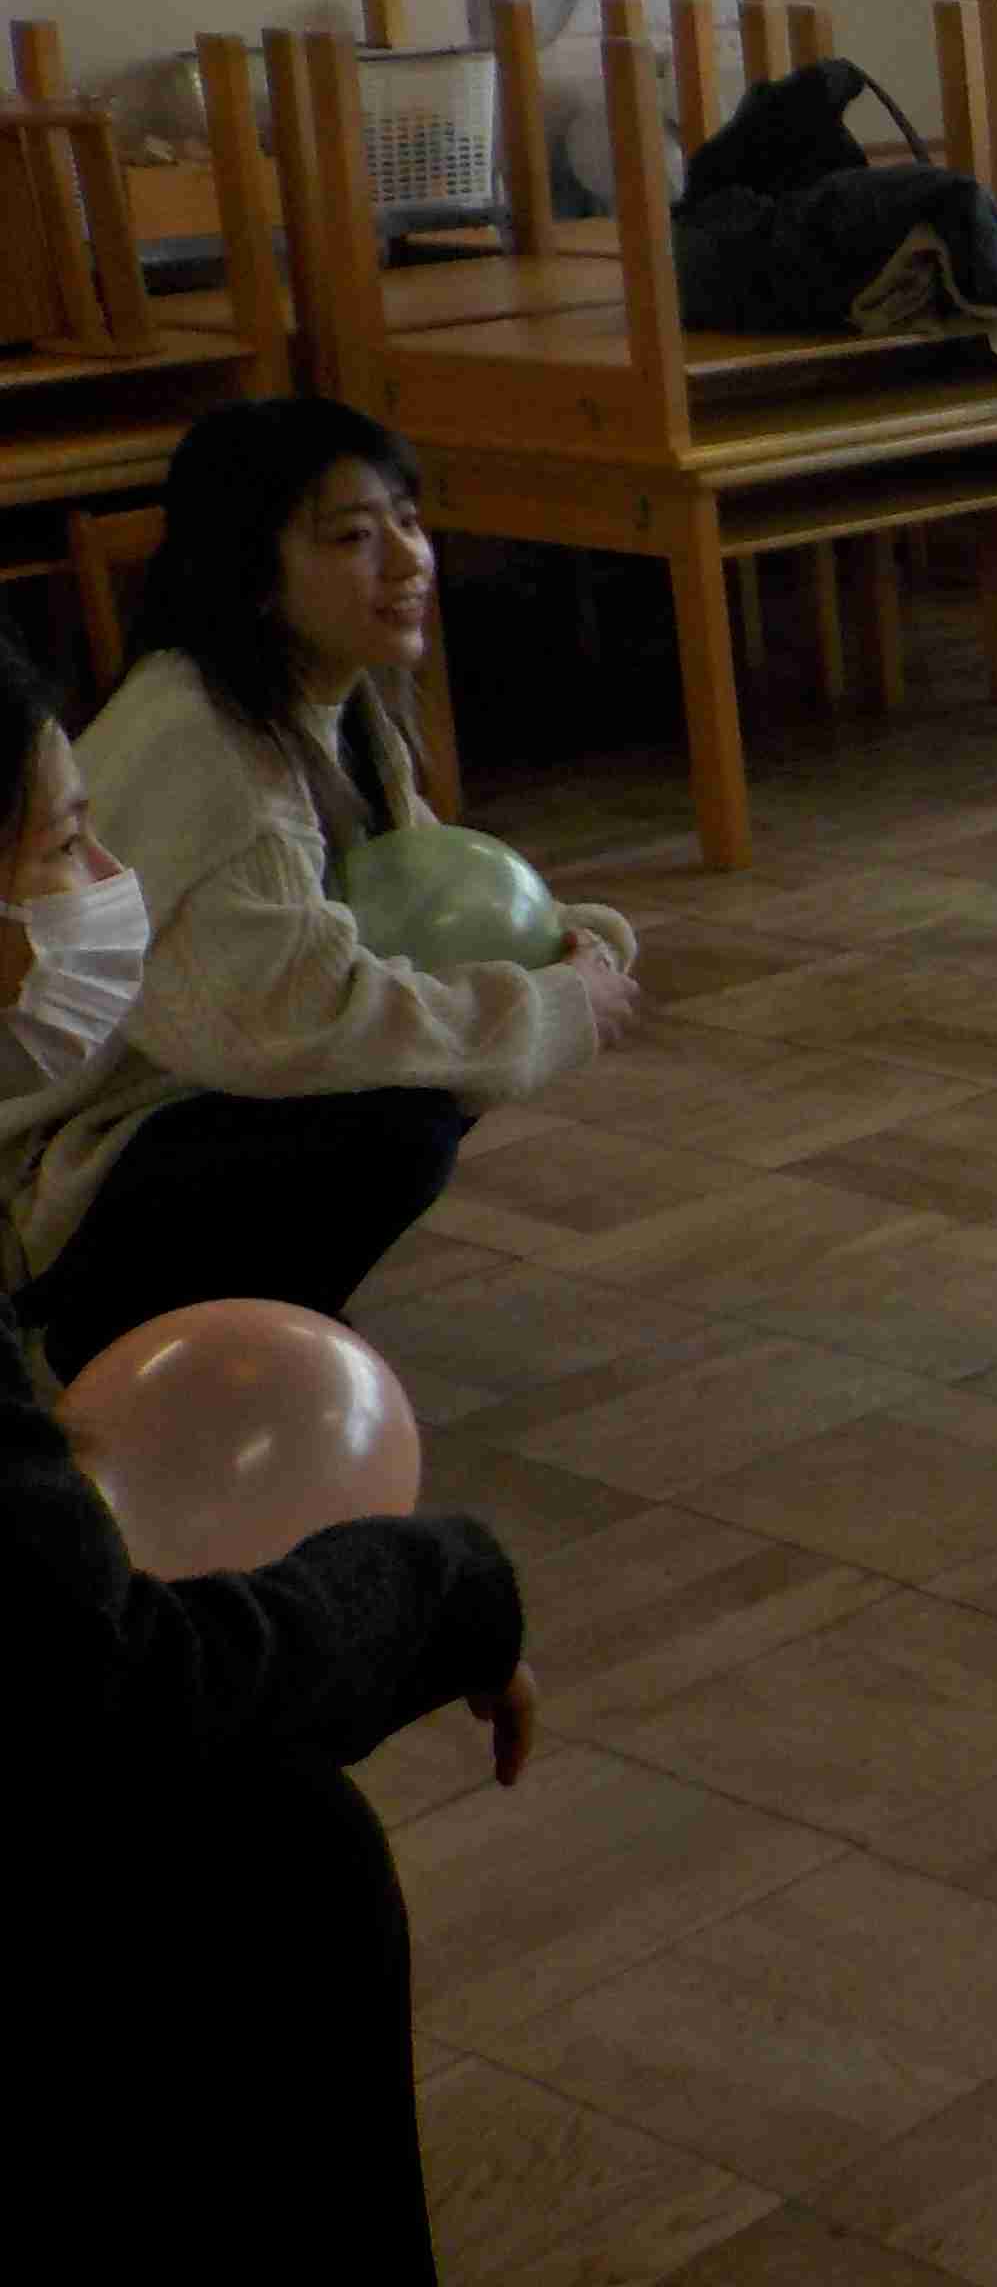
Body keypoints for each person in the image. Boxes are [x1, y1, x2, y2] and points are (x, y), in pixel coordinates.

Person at [0, 621, 539, 2285]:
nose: (108, 887)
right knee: (274, 1861)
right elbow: (112, 1688)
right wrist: (433, 1584)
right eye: (61, 845)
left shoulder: (354, 722)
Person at [0, 399, 641, 1379]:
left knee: (430, 1063)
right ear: (254, 575)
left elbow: (420, 899)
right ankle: (130, 1329)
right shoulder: (207, 743)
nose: (407, 559)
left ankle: (248, 1312)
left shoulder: (327, 698)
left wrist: (566, 946)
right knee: (397, 1120)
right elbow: (292, 1023)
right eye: (352, 536)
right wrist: (548, 1004)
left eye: (408, 521)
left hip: (185, 1085)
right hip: (52, 1172)